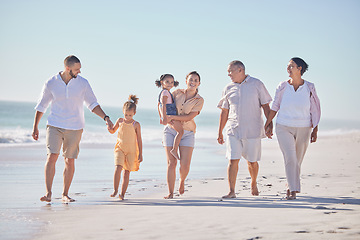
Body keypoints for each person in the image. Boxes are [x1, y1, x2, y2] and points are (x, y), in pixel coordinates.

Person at [32, 55, 113, 203]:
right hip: (55, 125)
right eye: (77, 69)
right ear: (67, 68)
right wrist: (35, 126)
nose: (79, 72)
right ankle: (48, 193)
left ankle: (65, 194)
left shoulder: (83, 83)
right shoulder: (51, 82)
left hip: (75, 127)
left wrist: (106, 118)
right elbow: (42, 105)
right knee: (52, 157)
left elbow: (92, 104)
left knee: (69, 161)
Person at [264, 57, 321, 200]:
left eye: (291, 66)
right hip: (283, 126)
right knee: (290, 157)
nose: (288, 69)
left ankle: (290, 185)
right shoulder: (282, 86)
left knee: (297, 160)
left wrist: (315, 129)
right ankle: (293, 190)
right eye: (288, 66)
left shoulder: (309, 87)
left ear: (299, 68)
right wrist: (268, 123)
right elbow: (275, 105)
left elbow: (315, 109)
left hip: (304, 127)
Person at [217, 60, 272, 198]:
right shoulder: (228, 88)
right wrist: (220, 132)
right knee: (232, 159)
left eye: (230, 71)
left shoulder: (257, 84)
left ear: (240, 70)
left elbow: (266, 106)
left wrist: (269, 124)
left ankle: (253, 182)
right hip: (233, 129)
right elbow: (224, 111)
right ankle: (232, 191)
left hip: (252, 130)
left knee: (252, 161)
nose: (228, 74)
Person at [163, 71, 204, 199]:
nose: (193, 82)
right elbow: (163, 104)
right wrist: (164, 117)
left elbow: (189, 117)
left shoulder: (199, 100)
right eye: (191, 79)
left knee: (185, 165)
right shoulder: (176, 93)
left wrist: (171, 117)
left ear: (199, 83)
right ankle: (170, 192)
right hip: (170, 130)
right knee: (172, 163)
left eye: (196, 80)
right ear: (186, 81)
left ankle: (181, 181)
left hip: (187, 132)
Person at [108, 95, 143, 200]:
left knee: (126, 173)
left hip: (131, 151)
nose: (127, 117)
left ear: (134, 113)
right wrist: (109, 127)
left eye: (129, 115)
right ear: (123, 112)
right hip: (120, 148)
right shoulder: (120, 121)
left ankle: (122, 194)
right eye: (126, 114)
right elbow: (113, 131)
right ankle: (115, 190)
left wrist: (140, 154)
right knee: (118, 167)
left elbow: (139, 140)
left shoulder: (136, 124)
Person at [155, 74, 183, 161]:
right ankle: (174, 150)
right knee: (181, 131)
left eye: (171, 82)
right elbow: (163, 105)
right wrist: (164, 118)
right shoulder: (165, 93)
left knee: (178, 131)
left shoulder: (164, 92)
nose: (170, 84)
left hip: (168, 116)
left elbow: (158, 106)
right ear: (162, 83)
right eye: (167, 82)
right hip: (171, 116)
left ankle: (168, 143)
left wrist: (161, 117)